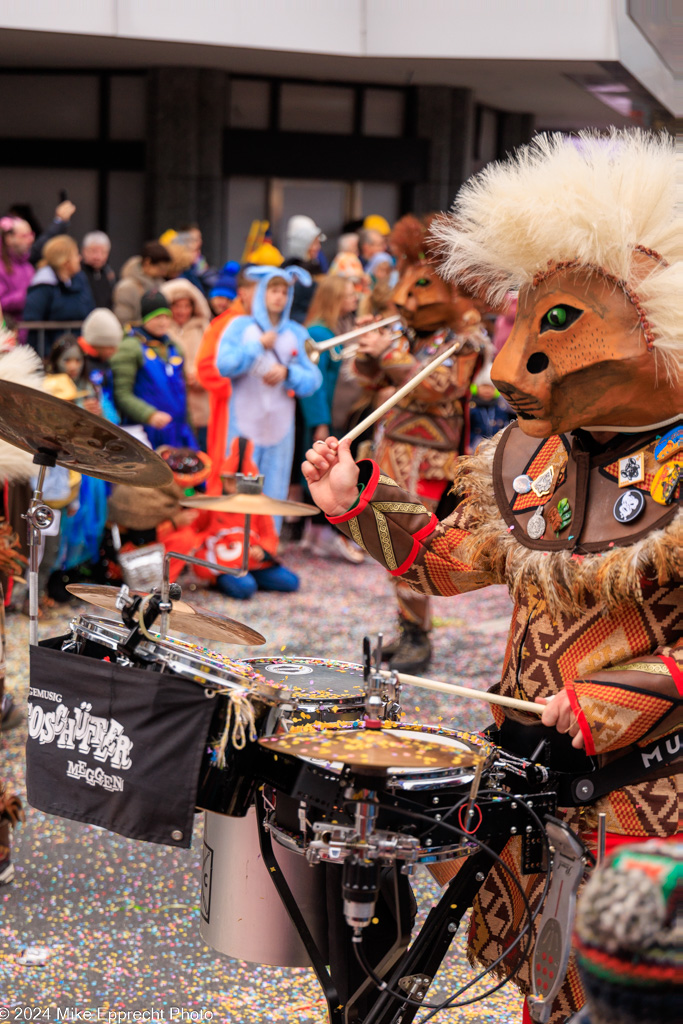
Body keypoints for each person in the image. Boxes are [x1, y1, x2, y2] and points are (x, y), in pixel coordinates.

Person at [303, 129, 682, 1024]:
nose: (512, 362)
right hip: (536, 770)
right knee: (539, 971)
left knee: (637, 988)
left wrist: (618, 696)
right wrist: (359, 502)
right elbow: (458, 562)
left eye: (556, 325)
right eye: (522, 320)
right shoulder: (535, 458)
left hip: (657, 787)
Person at [350, 214, 486, 671]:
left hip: (428, 457)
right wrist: (371, 354)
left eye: (419, 286)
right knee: (385, 542)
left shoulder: (463, 339)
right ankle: (408, 628)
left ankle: (418, 637)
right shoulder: (412, 333)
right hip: (393, 446)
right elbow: (370, 382)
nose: (403, 298)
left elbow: (440, 387)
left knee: (411, 541)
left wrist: (390, 353)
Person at [216, 266, 322, 531]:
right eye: (274, 290)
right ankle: (234, 548)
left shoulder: (297, 333)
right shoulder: (240, 327)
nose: (279, 297)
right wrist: (257, 346)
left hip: (279, 430)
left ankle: (267, 549)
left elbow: (313, 379)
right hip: (244, 429)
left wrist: (288, 372)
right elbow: (224, 365)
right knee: (240, 495)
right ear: (262, 292)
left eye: (285, 291)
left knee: (273, 495)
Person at [300, 275, 365, 562]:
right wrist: (320, 421)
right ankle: (321, 534)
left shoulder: (337, 329)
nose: (354, 299)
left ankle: (316, 534)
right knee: (321, 468)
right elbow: (313, 384)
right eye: (348, 294)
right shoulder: (318, 332)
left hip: (335, 412)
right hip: (324, 414)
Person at [196, 267, 257, 495]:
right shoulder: (223, 324)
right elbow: (206, 369)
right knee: (227, 475)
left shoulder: (269, 325)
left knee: (256, 477)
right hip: (230, 415)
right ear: (244, 292)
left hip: (263, 418)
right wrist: (242, 391)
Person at [110, 289, 197, 449]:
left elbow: (184, 394)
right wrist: (149, 414)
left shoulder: (174, 347)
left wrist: (190, 429)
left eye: (166, 316)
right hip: (146, 433)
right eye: (157, 317)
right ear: (145, 318)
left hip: (178, 432)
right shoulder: (130, 347)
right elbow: (121, 394)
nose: (163, 322)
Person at [162, 278, 212, 451]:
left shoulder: (204, 328)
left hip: (202, 402)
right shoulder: (163, 330)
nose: (182, 311)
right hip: (172, 402)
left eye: (186, 306)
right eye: (177, 306)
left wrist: (201, 378)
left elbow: (213, 360)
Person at [23, 235, 94, 354]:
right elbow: (33, 322)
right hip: (51, 355)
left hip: (79, 351)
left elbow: (90, 310)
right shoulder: (43, 285)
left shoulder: (80, 279)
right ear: (65, 261)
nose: (80, 258)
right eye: (76, 255)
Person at [78, 307, 123, 423]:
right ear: (98, 343)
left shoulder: (105, 363)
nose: (114, 351)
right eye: (110, 347)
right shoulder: (82, 364)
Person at [113, 241, 171, 325]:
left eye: (166, 269)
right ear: (148, 262)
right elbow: (123, 322)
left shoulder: (160, 283)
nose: (164, 273)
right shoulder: (127, 288)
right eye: (161, 268)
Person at [282, 215, 326, 323]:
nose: (318, 247)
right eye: (314, 243)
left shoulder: (316, 266)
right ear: (303, 245)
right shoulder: (291, 270)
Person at [469, 361, 514, 451]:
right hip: (474, 448)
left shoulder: (501, 408)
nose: (487, 390)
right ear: (476, 388)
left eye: (491, 387)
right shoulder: (471, 408)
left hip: (495, 447)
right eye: (484, 386)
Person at [0, 215, 36, 329]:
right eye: (24, 236)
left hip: (27, 333)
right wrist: (28, 296)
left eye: (31, 235)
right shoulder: (2, 267)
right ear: (9, 238)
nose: (31, 240)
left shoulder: (28, 267)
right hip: (7, 332)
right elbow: (2, 303)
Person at [80, 231, 116, 309]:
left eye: (103, 252)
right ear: (84, 251)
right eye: (93, 251)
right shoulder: (77, 273)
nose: (98, 257)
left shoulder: (109, 274)